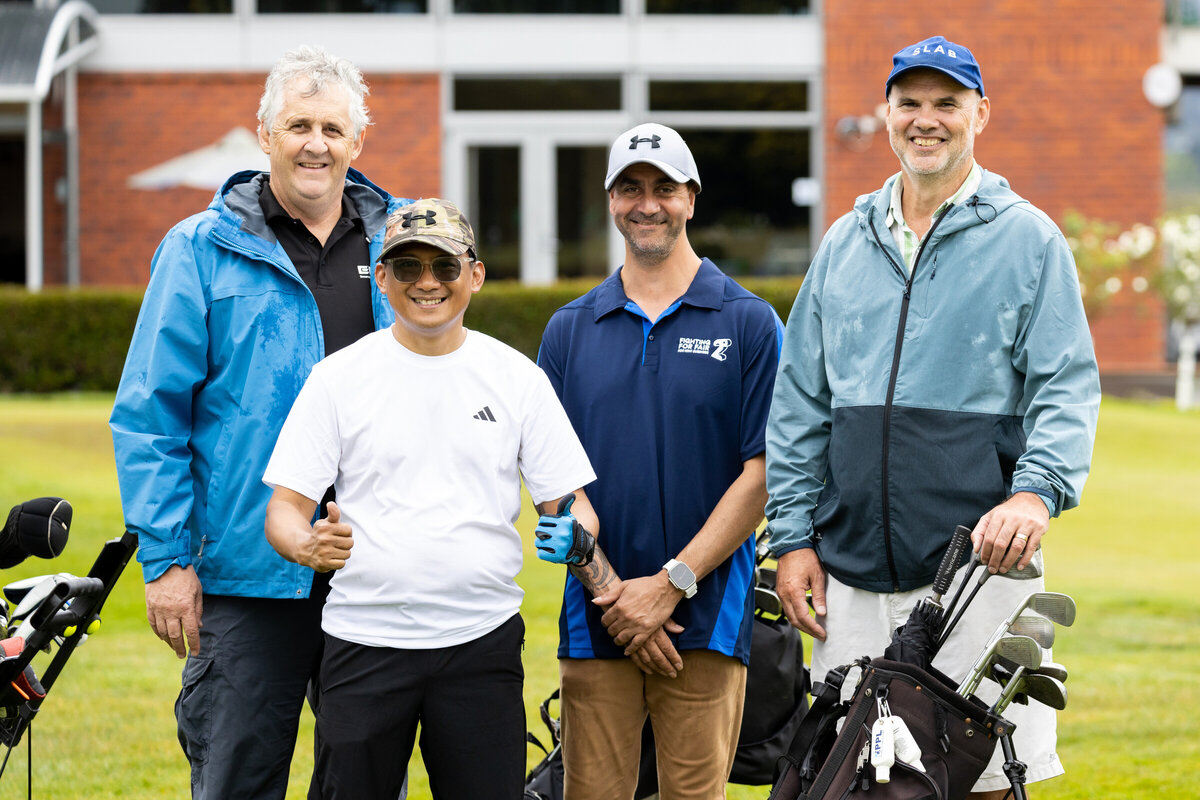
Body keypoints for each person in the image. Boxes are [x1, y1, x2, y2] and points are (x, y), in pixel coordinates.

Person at [764, 35, 1100, 799]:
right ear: (886, 113)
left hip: (979, 574)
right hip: (847, 577)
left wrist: (1033, 492)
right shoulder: (844, 244)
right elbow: (799, 406)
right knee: (848, 779)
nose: (926, 120)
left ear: (980, 114)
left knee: (978, 782)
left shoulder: (1030, 240)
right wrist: (791, 539)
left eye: (946, 103)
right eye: (909, 103)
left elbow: (1066, 387)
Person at [109, 45, 411, 799]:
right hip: (246, 577)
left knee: (368, 785)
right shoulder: (199, 249)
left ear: (357, 143)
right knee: (238, 782)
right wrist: (168, 561)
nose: (317, 144)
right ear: (265, 133)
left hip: (373, 572)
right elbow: (150, 417)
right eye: (299, 124)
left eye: (333, 129)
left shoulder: (404, 247)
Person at [262, 198, 598, 800]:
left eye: (444, 267)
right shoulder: (338, 378)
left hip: (482, 643)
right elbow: (284, 511)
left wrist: (573, 532)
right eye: (408, 266)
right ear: (383, 277)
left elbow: (570, 505)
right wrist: (307, 544)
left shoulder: (515, 376)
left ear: (475, 275)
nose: (427, 283)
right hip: (363, 641)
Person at [536, 122, 784, 800]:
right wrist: (615, 592)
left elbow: (761, 475)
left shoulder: (749, 322)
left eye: (663, 189)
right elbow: (554, 480)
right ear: (611, 201)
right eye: (630, 189)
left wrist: (670, 584)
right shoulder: (569, 329)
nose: (647, 204)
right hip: (596, 619)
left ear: (691, 199)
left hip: (704, 624)